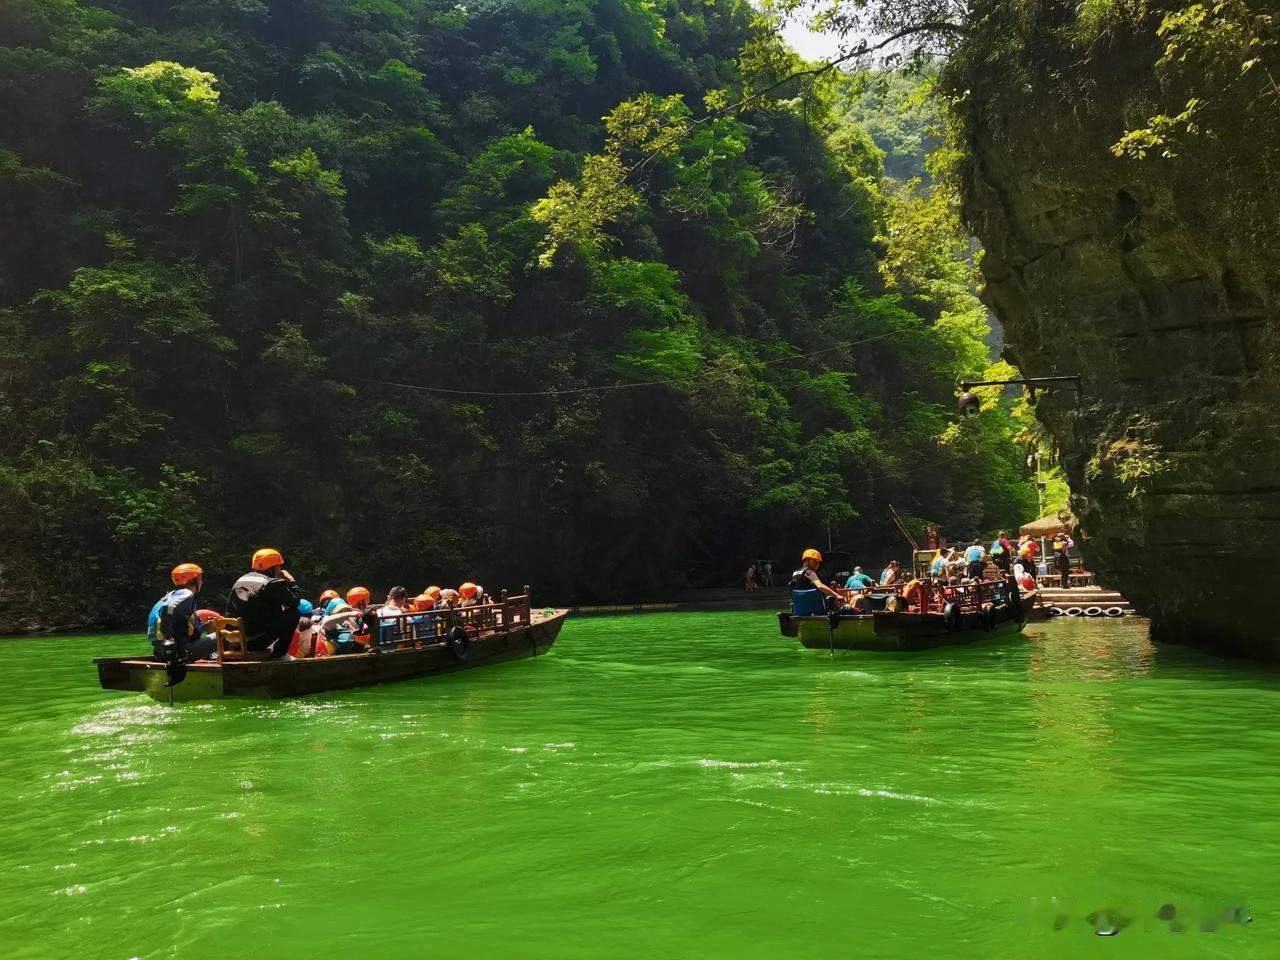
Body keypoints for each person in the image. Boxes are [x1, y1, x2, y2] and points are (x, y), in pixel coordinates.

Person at [226, 548, 302, 659]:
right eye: (278, 566)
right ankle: (279, 654)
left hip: (234, 641)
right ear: (273, 567)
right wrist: (291, 581)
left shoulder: (240, 580)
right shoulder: (272, 583)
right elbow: (295, 601)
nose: (280, 569)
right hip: (255, 641)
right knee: (293, 613)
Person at [148, 562, 217, 664]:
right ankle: (214, 658)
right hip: (182, 652)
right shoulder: (186, 593)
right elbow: (168, 608)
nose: (201, 582)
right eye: (200, 578)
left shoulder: (170, 595)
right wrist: (168, 637)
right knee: (223, 636)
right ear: (193, 580)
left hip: (161, 652)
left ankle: (209, 656)